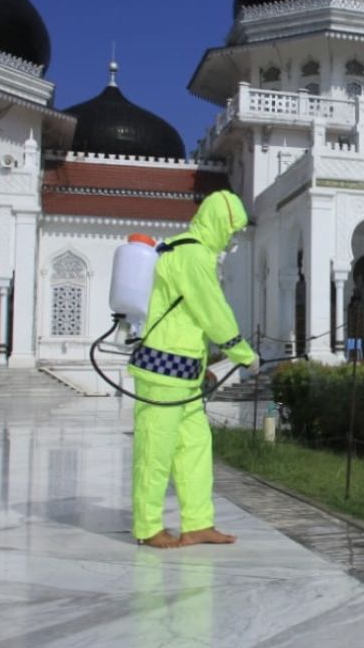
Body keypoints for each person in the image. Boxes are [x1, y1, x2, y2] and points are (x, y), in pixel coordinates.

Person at [128, 189, 260, 549]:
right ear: (218, 222)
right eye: (231, 231)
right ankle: (148, 526)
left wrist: (205, 367)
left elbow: (191, 322)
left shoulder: (187, 250)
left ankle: (198, 523)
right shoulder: (192, 254)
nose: (231, 240)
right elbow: (211, 310)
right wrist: (242, 353)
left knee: (195, 449)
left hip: (185, 373)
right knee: (154, 451)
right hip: (162, 371)